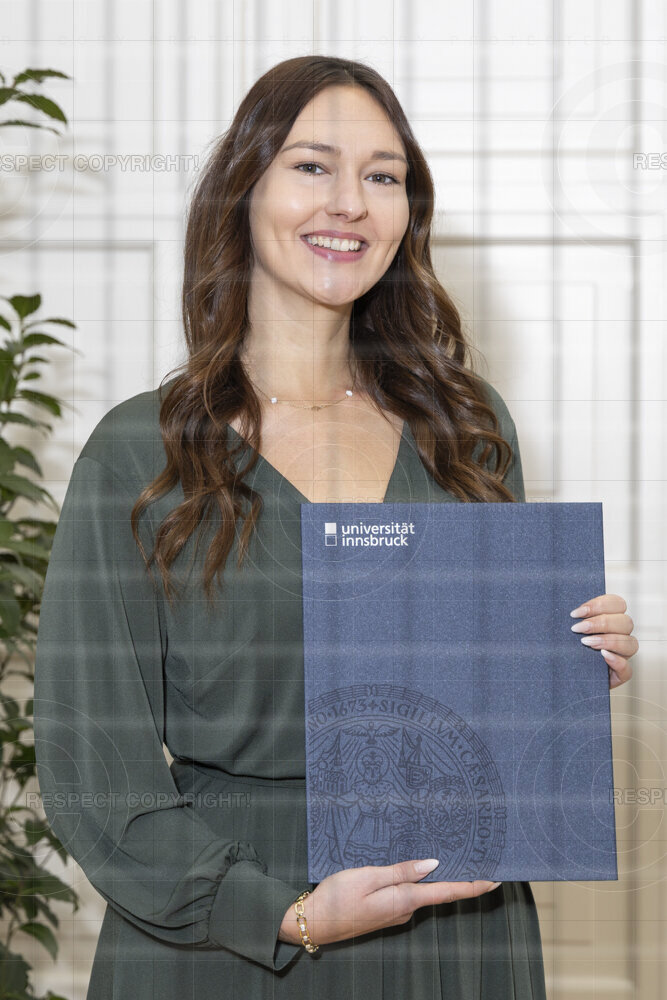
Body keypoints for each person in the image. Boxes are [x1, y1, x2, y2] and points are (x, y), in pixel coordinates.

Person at [33, 55, 639, 1000]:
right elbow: (90, 767)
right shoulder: (139, 454)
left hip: (453, 928)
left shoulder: (467, 428)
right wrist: (287, 914)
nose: (349, 202)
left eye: (382, 176)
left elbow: (486, 714)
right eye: (312, 166)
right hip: (228, 940)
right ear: (244, 190)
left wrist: (562, 665)